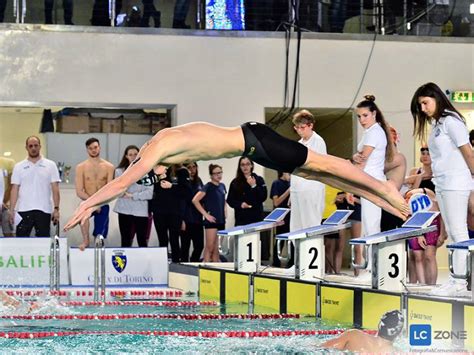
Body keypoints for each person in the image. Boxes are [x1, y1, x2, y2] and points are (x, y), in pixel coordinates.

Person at [64, 121, 409, 233]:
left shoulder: (156, 150)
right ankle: (384, 200)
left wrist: (89, 204)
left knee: (325, 166)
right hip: (253, 145)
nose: (153, 173)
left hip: (255, 141)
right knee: (320, 174)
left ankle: (383, 189)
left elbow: (123, 181)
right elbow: (136, 179)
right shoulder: (165, 142)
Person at [411, 82, 474, 296]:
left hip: (457, 182)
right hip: (443, 183)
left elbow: (469, 153)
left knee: (459, 231)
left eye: (425, 103)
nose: (423, 108)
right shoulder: (438, 124)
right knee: (453, 233)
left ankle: (460, 281)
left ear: (437, 98)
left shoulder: (452, 122)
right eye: (420, 105)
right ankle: (456, 279)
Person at [353, 95, 394, 277]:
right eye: (359, 116)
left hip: (372, 181)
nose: (362, 120)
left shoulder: (375, 132)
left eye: (365, 116)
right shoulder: (369, 132)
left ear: (374, 114)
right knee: (368, 226)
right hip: (367, 180)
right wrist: (355, 157)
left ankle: (373, 269)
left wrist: (350, 183)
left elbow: (362, 160)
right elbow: (359, 157)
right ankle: (370, 267)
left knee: (372, 226)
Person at [9, 136, 60, 237]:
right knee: (21, 242)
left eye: (36, 145)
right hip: (23, 210)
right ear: (26, 148)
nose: (33, 148)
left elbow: (55, 189)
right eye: (30, 146)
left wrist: (56, 209)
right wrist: (11, 210)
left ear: (40, 146)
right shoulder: (19, 167)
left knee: (43, 242)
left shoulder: (50, 165)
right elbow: (14, 189)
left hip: (44, 210)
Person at [290, 110, 327, 232]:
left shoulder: (318, 141)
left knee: (310, 226)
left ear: (311, 125)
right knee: (296, 227)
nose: (299, 130)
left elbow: (317, 166)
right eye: (297, 128)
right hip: (297, 189)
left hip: (312, 189)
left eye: (302, 127)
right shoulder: (299, 144)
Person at [75, 138, 114, 250]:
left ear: (99, 147)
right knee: (82, 214)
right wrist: (92, 203)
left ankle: (98, 242)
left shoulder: (109, 167)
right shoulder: (81, 167)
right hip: (87, 201)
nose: (93, 150)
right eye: (90, 148)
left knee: (99, 233)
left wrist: (98, 203)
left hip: (102, 203)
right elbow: (79, 191)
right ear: (87, 150)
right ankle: (86, 241)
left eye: (95, 147)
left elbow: (109, 189)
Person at [114, 145, 153, 247]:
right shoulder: (119, 171)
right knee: (125, 240)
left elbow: (149, 193)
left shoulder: (147, 171)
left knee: (142, 240)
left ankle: (143, 262)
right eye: (130, 155)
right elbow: (119, 190)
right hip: (124, 209)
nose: (133, 156)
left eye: (135, 154)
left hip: (140, 210)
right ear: (126, 156)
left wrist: (132, 195)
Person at [150, 164, 190, 262]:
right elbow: (148, 187)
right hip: (159, 211)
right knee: (162, 240)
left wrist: (171, 186)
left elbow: (187, 192)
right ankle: (162, 264)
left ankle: (176, 264)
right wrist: (157, 175)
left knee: (174, 239)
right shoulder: (157, 170)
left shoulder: (181, 171)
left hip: (174, 212)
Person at [405, 188, 446, 285]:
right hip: (414, 224)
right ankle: (422, 285)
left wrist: (443, 233)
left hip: (432, 222)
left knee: (429, 256)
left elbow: (441, 213)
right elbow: (408, 216)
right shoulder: (407, 196)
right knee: (417, 256)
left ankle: (431, 285)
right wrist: (419, 234)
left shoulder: (430, 193)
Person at [321, 310, 404, 352]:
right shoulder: (398, 353)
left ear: (379, 325)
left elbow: (321, 348)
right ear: (399, 334)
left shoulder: (353, 335)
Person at [192, 164, 226, 262]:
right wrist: (206, 215)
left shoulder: (222, 186)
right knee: (210, 247)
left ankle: (216, 270)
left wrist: (224, 212)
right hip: (211, 221)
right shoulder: (208, 186)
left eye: (220, 172)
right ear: (211, 175)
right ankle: (205, 267)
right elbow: (195, 200)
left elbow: (223, 201)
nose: (218, 175)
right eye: (216, 173)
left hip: (221, 220)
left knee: (216, 249)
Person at [227, 157, 267, 226]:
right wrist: (240, 204)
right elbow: (230, 200)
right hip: (241, 220)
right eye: (242, 165)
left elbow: (263, 197)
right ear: (240, 167)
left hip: (256, 219)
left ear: (251, 165)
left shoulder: (259, 180)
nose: (245, 167)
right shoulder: (235, 182)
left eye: (247, 164)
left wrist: (254, 186)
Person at [381, 125, 407, 232]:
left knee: (392, 235)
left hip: (393, 201)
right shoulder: (386, 158)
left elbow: (376, 169)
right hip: (386, 200)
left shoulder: (399, 157)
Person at [181, 162, 204, 262]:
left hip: (197, 220)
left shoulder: (199, 181)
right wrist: (181, 220)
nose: (192, 169)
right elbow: (181, 202)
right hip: (186, 220)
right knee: (185, 247)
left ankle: (193, 263)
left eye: (194, 167)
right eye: (189, 167)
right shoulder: (182, 182)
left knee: (199, 246)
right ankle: (184, 269)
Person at [269, 171, 291, 267]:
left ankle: (291, 263)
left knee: (292, 241)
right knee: (280, 240)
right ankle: (276, 262)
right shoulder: (276, 183)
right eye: (289, 174)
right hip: (281, 217)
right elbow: (276, 202)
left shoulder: (291, 184)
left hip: (292, 216)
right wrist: (288, 191)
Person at [0, 156, 15, 236]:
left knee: (8, 235)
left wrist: (2, 202)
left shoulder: (9, 162)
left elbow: (11, 185)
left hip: (5, 206)